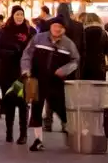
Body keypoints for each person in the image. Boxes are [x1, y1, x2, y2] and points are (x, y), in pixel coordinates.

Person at [20, 17, 79, 152]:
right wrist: (26, 70)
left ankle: (73, 135)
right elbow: (27, 55)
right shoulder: (38, 38)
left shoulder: (68, 44)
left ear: (64, 29)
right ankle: (38, 140)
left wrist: (64, 70)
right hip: (36, 79)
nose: (57, 29)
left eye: (61, 27)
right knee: (36, 109)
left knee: (60, 108)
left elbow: (75, 61)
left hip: (56, 81)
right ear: (51, 26)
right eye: (55, 26)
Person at [0, 6, 33, 145]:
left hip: (22, 73)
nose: (19, 17)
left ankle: (23, 134)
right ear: (12, 15)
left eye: (21, 14)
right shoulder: (4, 32)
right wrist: (11, 53)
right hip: (7, 72)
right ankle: (9, 132)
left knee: (23, 103)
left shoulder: (29, 32)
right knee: (9, 102)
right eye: (17, 14)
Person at [80, 13, 108, 81]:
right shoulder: (104, 33)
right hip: (99, 66)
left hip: (85, 66)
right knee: (99, 89)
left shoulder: (82, 33)